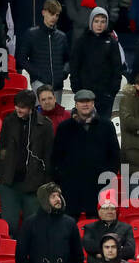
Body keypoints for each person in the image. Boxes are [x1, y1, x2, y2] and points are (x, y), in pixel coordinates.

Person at [52, 89, 121, 217]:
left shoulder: (106, 126)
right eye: (81, 101)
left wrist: (107, 176)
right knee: (69, 223)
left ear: (93, 103)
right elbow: (57, 156)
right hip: (71, 187)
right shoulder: (64, 128)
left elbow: (115, 154)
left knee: (96, 224)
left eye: (88, 101)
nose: (85, 104)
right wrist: (62, 178)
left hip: (98, 186)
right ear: (76, 104)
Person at [0, 91, 55, 237]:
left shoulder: (45, 125)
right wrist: (0, 176)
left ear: (31, 107)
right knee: (10, 226)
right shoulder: (9, 121)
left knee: (34, 227)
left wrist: (45, 183)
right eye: (16, 106)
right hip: (9, 183)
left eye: (22, 107)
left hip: (34, 185)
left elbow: (48, 156)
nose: (18, 109)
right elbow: (2, 150)